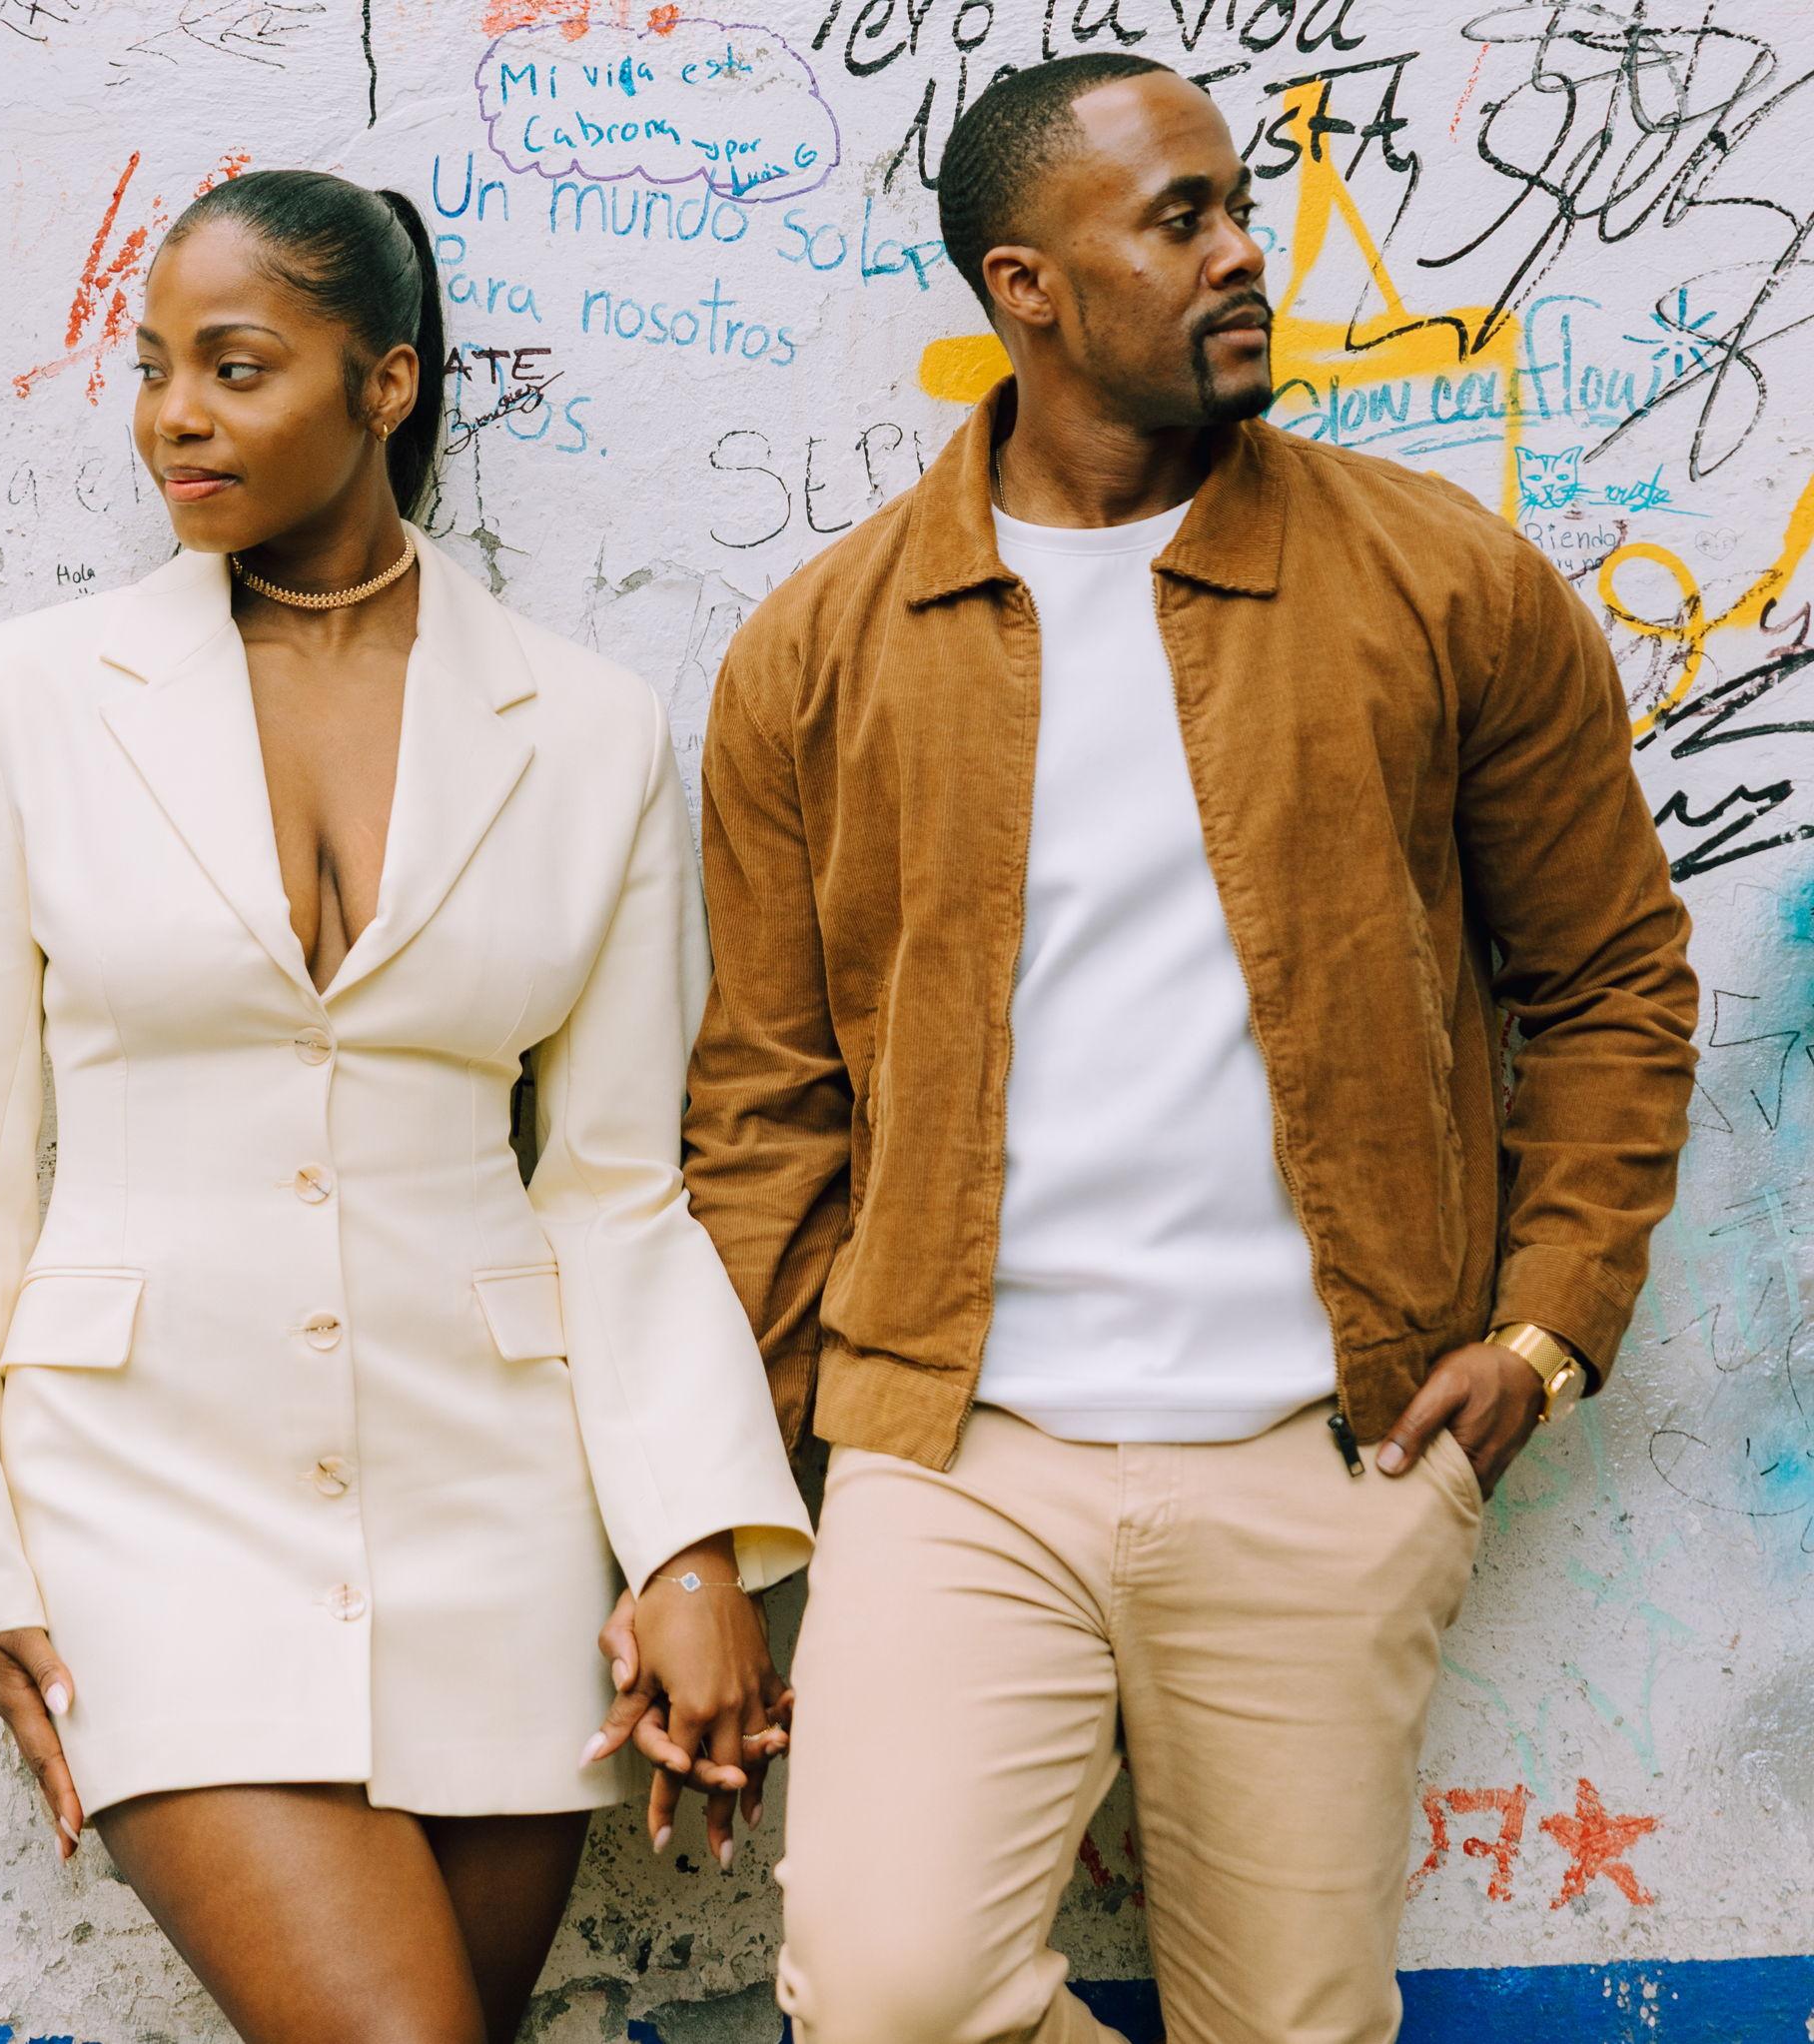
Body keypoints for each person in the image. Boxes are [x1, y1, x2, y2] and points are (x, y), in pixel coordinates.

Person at [679, 54, 1698, 2044]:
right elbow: (765, 1105)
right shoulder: (821, 648)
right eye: (1179, 220)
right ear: (1027, 287)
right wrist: (739, 1497)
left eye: (1238, 205)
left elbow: (1609, 980)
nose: (1243, 253)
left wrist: (1547, 1323)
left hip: (1327, 1446)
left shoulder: (1440, 581)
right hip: (956, 1456)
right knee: (890, 1997)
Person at [0, 168, 810, 2044]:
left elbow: (614, 1189)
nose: (176, 415)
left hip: (496, 1510)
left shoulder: (587, 726)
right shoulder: (31, 696)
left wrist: (689, 1542)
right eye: (153, 369)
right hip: (142, 1502)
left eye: (236, 367)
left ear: (386, 385)